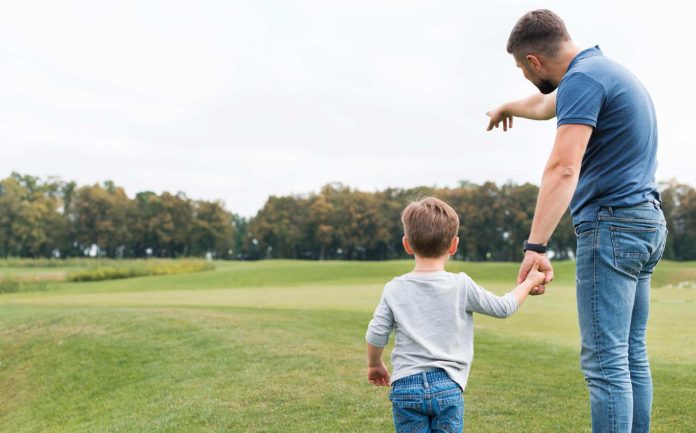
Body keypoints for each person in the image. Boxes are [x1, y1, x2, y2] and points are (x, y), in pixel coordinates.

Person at [486, 9, 667, 433]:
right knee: (629, 354)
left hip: (613, 226)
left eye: (521, 70)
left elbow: (564, 169)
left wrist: (535, 246)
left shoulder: (582, 81)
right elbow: (547, 103)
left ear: (533, 62)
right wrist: (507, 106)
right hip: (646, 223)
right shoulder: (602, 71)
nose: (525, 79)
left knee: (605, 362)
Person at [365, 197, 546, 433]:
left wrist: (375, 364)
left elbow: (377, 334)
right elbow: (503, 308)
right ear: (454, 245)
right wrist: (529, 281)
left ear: (407, 244)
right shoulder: (461, 285)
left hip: (405, 386)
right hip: (448, 386)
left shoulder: (394, 288)